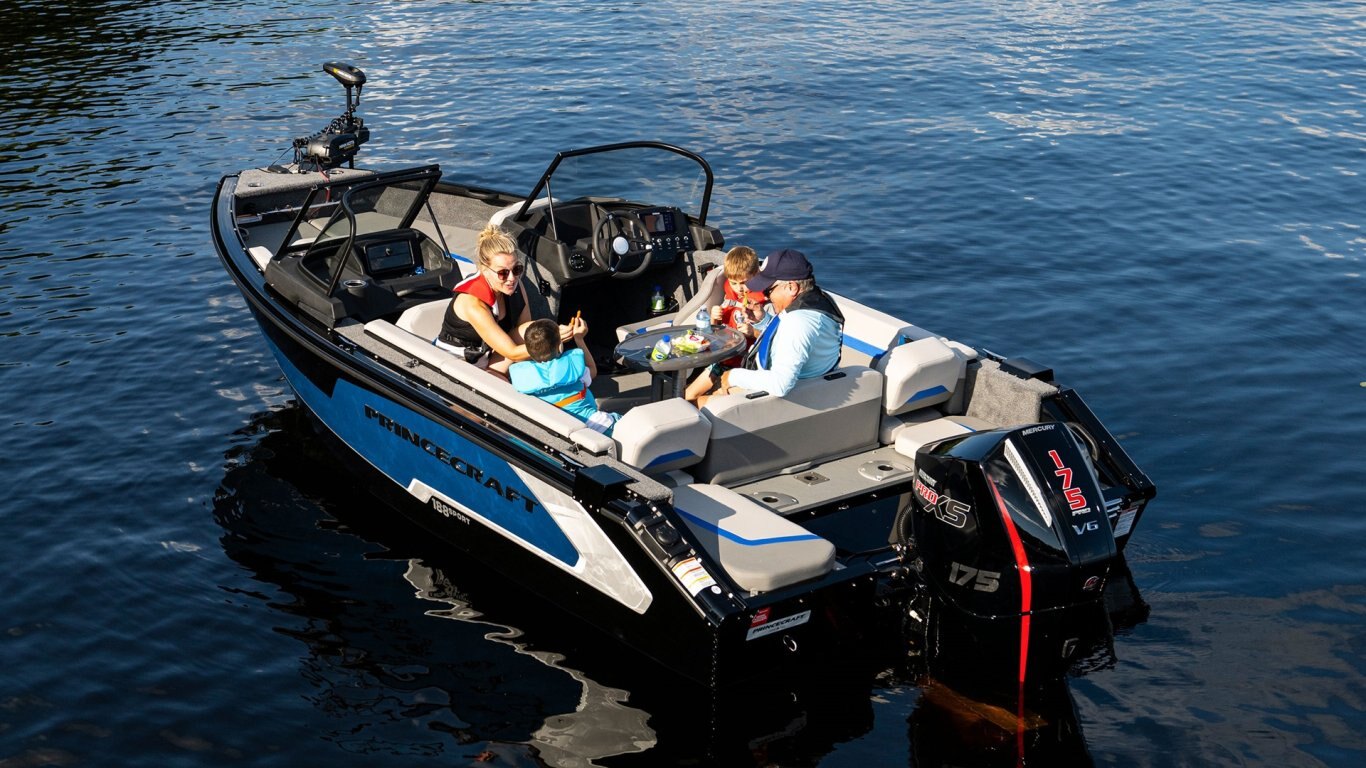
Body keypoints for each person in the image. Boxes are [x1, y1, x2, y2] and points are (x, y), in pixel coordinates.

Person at [694, 248, 844, 408]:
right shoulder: (815, 303)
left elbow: (780, 385)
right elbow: (785, 337)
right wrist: (763, 320)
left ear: (792, 287)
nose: (766, 296)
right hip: (805, 386)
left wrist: (733, 376)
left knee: (691, 405)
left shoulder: (798, 324)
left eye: (769, 289)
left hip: (775, 400)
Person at [436, 223, 571, 376]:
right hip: (460, 363)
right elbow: (512, 352)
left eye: (517, 269)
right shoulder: (472, 304)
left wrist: (552, 334)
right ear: (484, 270)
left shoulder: (516, 285)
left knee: (533, 329)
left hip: (490, 356)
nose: (512, 278)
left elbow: (526, 329)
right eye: (503, 273)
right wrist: (551, 340)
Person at [684, 246, 773, 402]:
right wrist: (715, 318)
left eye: (744, 283)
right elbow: (715, 331)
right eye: (733, 283)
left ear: (756, 274)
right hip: (723, 360)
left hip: (744, 365)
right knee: (688, 395)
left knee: (702, 401)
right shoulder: (730, 295)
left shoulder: (765, 304)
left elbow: (773, 341)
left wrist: (753, 332)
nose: (739, 288)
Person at [509, 317, 619, 435]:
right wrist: (579, 339)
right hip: (595, 424)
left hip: (557, 428)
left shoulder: (522, 378)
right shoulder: (574, 368)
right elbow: (592, 370)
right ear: (559, 346)